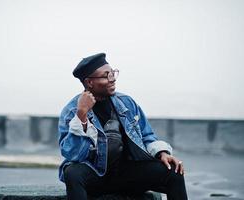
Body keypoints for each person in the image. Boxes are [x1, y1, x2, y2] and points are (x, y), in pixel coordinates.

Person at [58, 53, 188, 200]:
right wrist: (81, 115)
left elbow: (147, 136)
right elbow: (71, 154)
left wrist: (162, 153)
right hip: (95, 176)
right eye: (106, 75)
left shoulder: (126, 102)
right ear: (89, 82)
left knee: (174, 170)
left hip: (126, 174)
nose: (112, 79)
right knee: (72, 173)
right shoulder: (71, 111)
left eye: (113, 73)